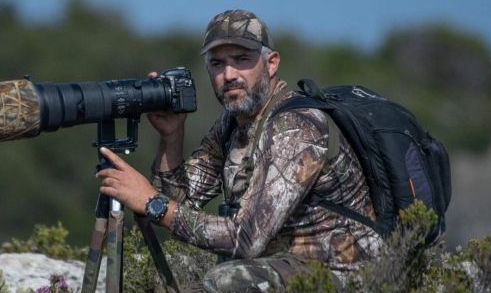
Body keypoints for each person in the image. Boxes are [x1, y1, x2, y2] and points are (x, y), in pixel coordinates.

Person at [96, 9, 383, 292]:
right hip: (287, 267)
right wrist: (172, 136)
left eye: (241, 59)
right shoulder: (232, 125)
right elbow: (179, 203)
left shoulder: (297, 126)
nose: (229, 74)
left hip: (346, 276)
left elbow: (245, 239)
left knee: (227, 281)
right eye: (217, 64)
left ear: (271, 63)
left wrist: (151, 202)